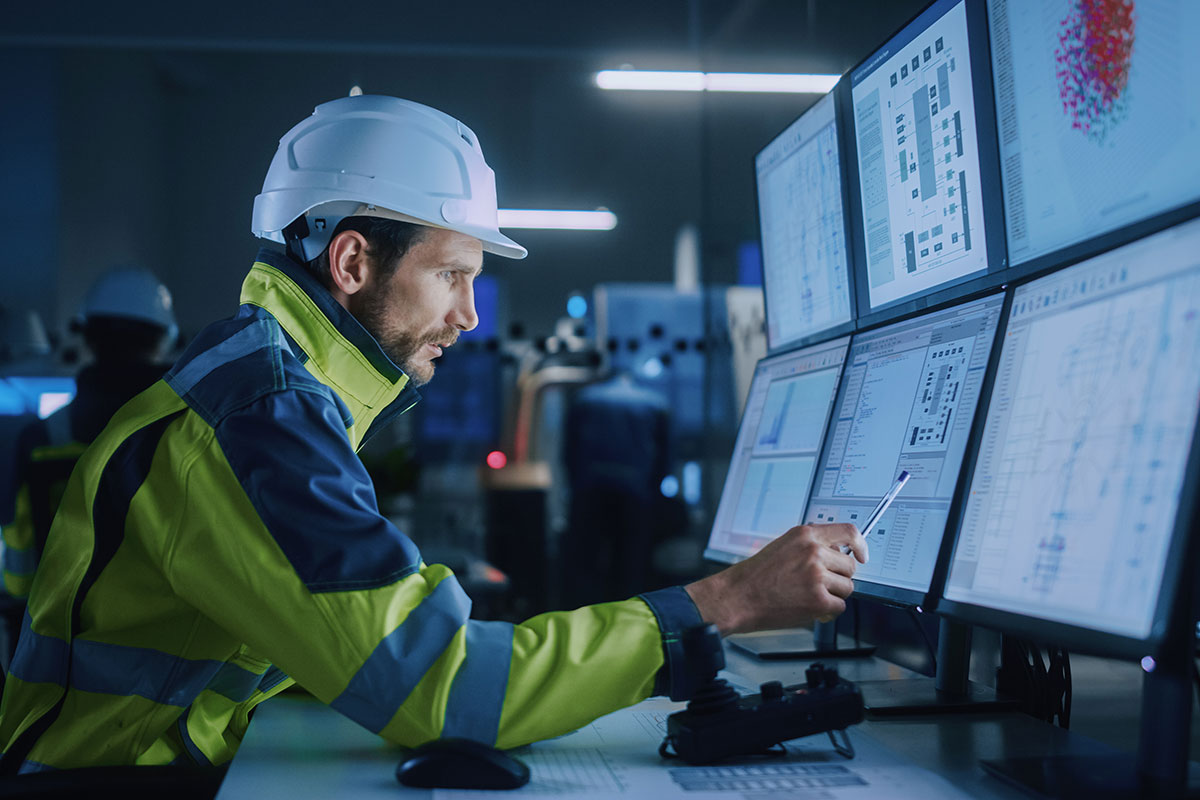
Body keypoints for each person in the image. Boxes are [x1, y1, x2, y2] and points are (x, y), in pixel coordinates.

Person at [0, 95, 866, 786]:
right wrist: (723, 605)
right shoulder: (256, 421)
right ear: (350, 264)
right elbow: (439, 688)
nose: (468, 316)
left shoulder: (263, 389)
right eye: (451, 275)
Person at [1, 268, 177, 601]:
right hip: (169, 637)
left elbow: (20, 578)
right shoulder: (191, 430)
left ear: (89, 337)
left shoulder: (41, 437)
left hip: (65, 636)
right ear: (163, 339)